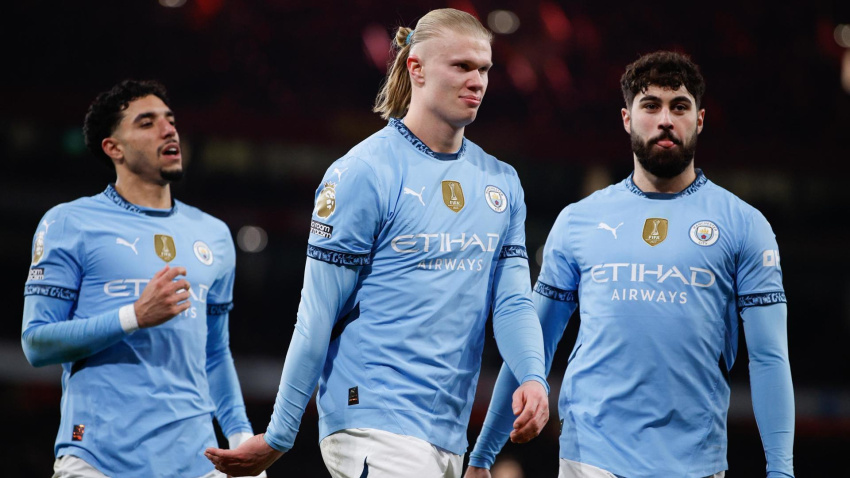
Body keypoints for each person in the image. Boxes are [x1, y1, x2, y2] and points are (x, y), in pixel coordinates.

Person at [204, 8, 549, 478]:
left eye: (484, 69)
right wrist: (281, 433)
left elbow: (511, 302)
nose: (478, 81)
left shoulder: (501, 182)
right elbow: (317, 312)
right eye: (462, 67)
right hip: (372, 419)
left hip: (447, 432)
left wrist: (532, 375)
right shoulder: (364, 172)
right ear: (417, 68)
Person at [465, 51, 795, 478]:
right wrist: (482, 456)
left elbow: (769, 359)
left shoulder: (744, 225)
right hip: (590, 460)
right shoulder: (578, 221)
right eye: (650, 105)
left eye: (679, 106)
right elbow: (533, 347)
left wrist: (782, 471)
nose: (665, 120)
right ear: (626, 118)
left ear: (699, 119)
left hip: (695, 464)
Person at [21, 79, 261, 478]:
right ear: (113, 148)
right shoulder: (68, 222)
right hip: (98, 460)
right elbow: (36, 343)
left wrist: (240, 438)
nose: (169, 130)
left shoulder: (214, 235)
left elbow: (215, 354)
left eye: (170, 120)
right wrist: (133, 315)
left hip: (196, 462)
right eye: (146, 123)